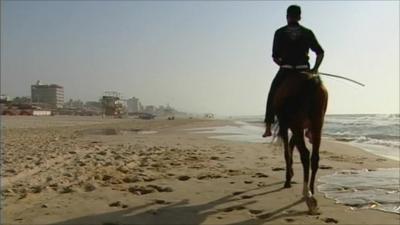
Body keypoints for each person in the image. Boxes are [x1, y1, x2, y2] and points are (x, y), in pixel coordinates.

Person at [263, 5, 325, 137]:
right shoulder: (307, 32)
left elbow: (275, 56)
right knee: (320, 94)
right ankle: (312, 129)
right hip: (304, 71)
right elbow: (320, 53)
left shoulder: (279, 32)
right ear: (300, 17)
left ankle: (268, 127)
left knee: (273, 93)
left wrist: (282, 62)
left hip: (286, 70)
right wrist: (315, 69)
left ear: (287, 17)